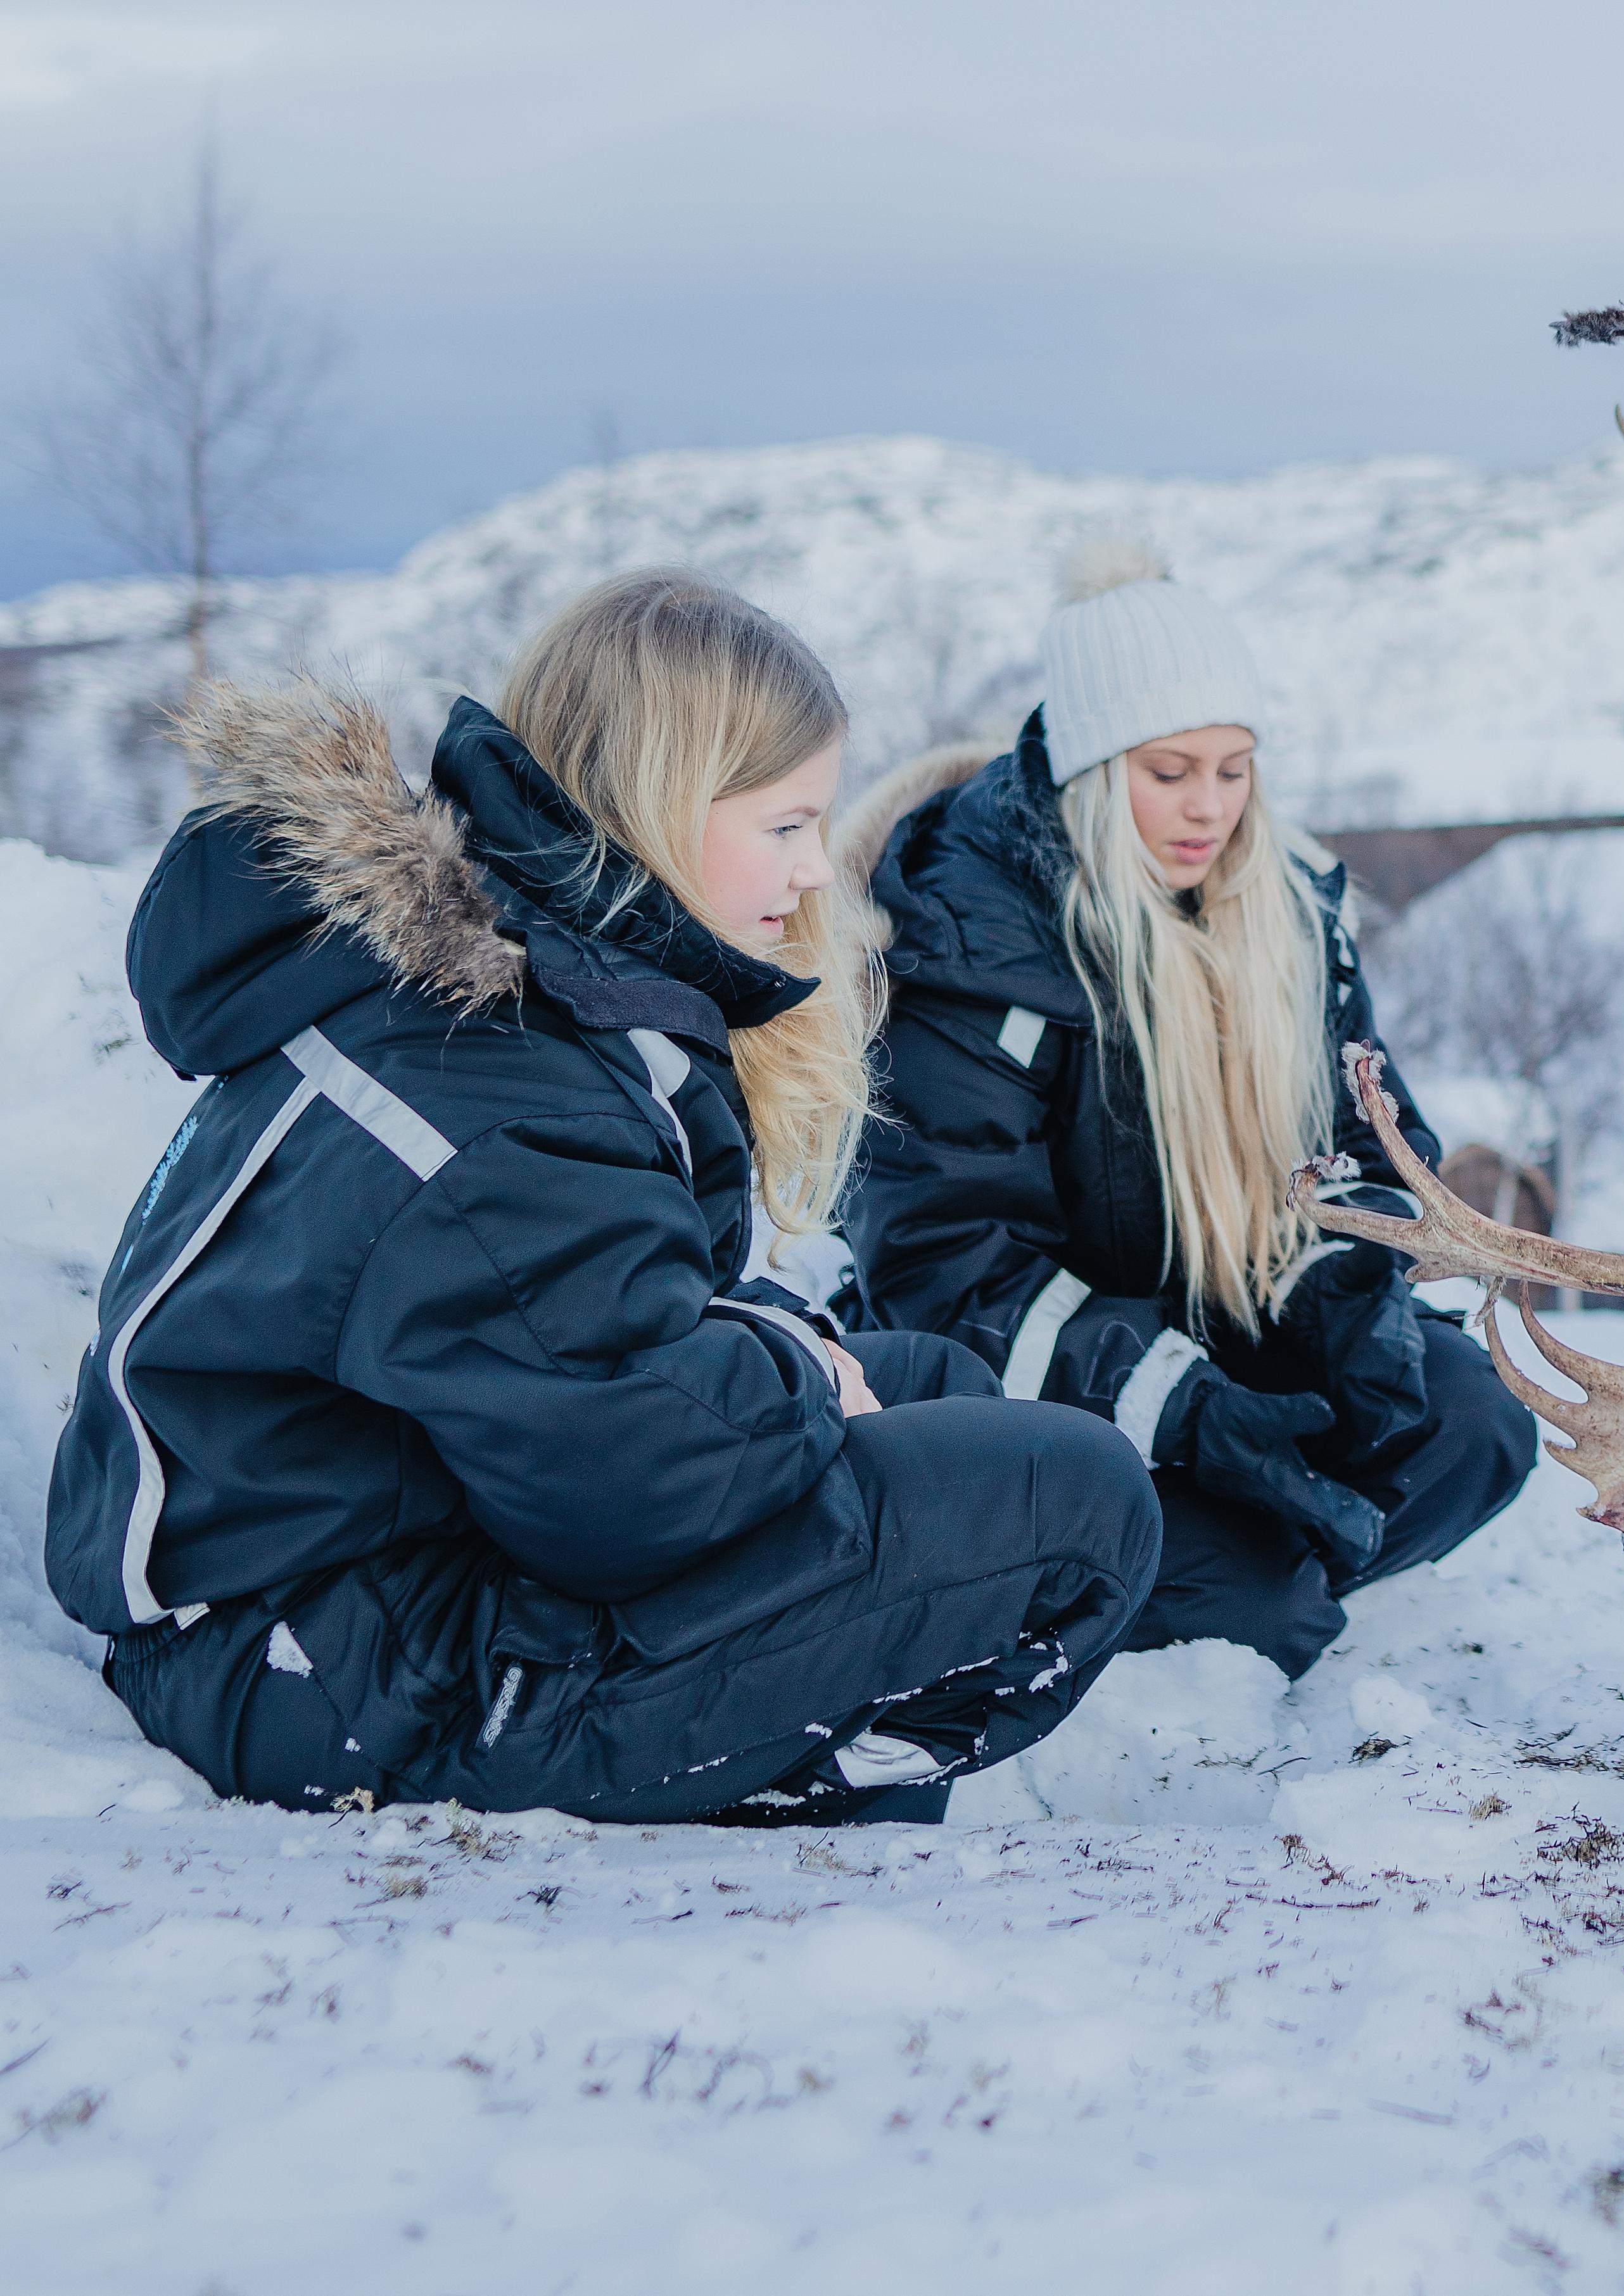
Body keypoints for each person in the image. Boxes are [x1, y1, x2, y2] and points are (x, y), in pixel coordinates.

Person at [43, 572, 1166, 1825]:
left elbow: (601, 1339)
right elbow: (637, 1492)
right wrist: (802, 1377)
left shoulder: (510, 982)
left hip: (371, 1555)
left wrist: (802, 1361)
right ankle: (781, 1788)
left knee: (931, 1392)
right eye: (786, 826)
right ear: (661, 799)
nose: (810, 879)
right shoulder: (506, 1087)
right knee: (1079, 1507)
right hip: (319, 1658)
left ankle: (779, 1733)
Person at [846, 553, 1537, 1680]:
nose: (1209, 807)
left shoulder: (1293, 910)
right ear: (1090, 768)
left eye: (1233, 768)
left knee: (1474, 1424)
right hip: (1037, 1387)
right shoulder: (970, 940)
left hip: (1232, 1327)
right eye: (1169, 771)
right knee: (1263, 1607)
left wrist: (1351, 1309)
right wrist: (1189, 1411)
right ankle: (1200, 1580)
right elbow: (946, 1272)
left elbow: (1367, 1144)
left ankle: (1233, 1562)